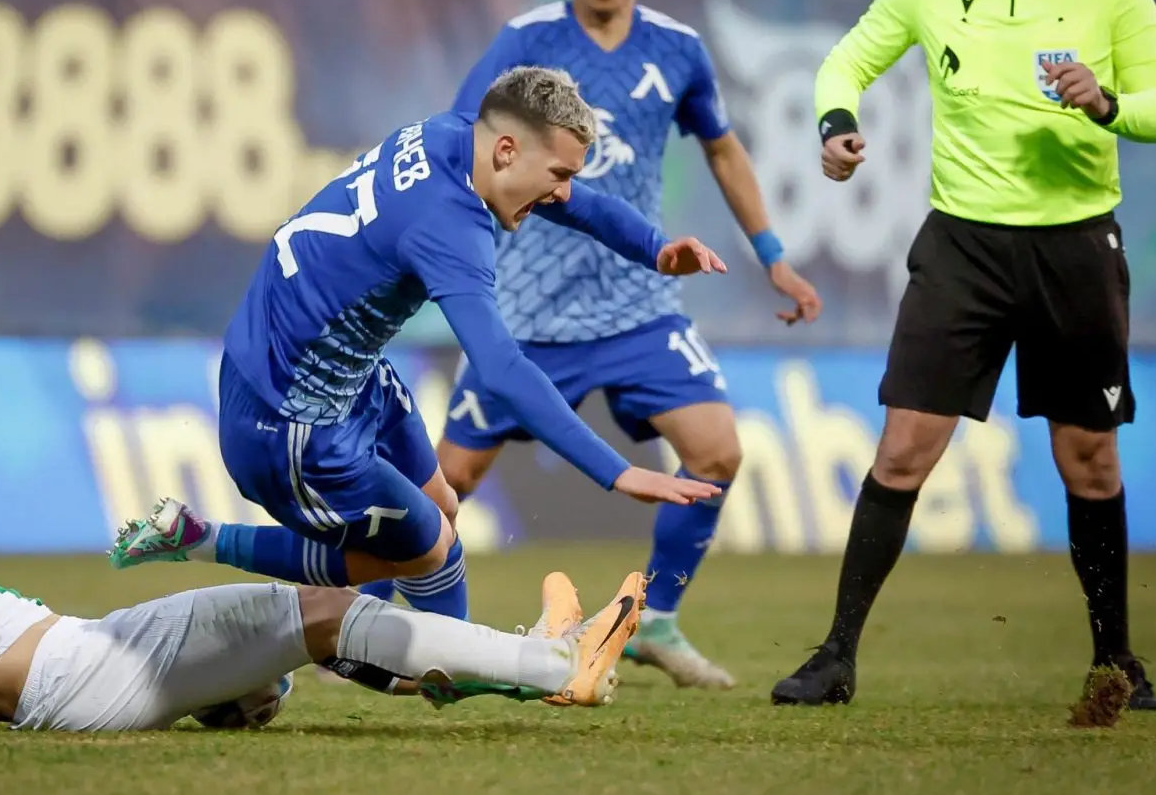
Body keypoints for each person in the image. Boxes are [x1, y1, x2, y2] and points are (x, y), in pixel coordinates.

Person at [109, 68, 729, 699]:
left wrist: (653, 248)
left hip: (343, 371)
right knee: (431, 551)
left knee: (443, 509)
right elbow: (501, 369)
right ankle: (465, 665)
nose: (562, 191)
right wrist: (616, 472)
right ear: (507, 150)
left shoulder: (453, 134)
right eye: (560, 173)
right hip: (289, 415)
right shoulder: (450, 223)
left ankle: (455, 662)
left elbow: (575, 203)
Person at [356, 0, 822, 690]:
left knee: (717, 450)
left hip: (639, 308)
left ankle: (658, 620)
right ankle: (359, 619)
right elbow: (462, 138)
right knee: (446, 483)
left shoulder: (678, 50)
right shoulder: (525, 41)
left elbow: (722, 149)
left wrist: (772, 254)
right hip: (530, 313)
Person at [771, 0, 1156, 709]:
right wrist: (835, 125)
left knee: (1089, 461)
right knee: (903, 448)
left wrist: (1107, 102)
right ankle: (835, 656)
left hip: (1075, 247)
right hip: (963, 247)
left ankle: (1116, 660)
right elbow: (846, 60)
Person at [0, 415, 651, 735]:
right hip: (81, 665)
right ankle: (550, 662)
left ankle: (519, 662)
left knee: (304, 635)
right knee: (323, 609)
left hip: (75, 675)